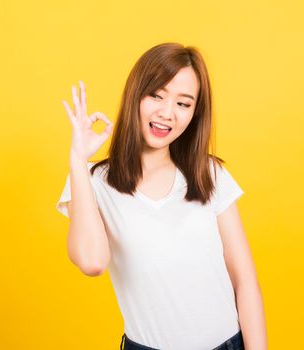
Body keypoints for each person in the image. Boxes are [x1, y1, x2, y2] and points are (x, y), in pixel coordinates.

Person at [56, 42, 267, 350]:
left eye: (183, 104)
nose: (167, 113)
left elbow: (245, 281)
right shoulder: (93, 182)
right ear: (135, 96)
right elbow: (91, 262)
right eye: (157, 95)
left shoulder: (208, 174)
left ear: (195, 113)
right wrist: (77, 161)